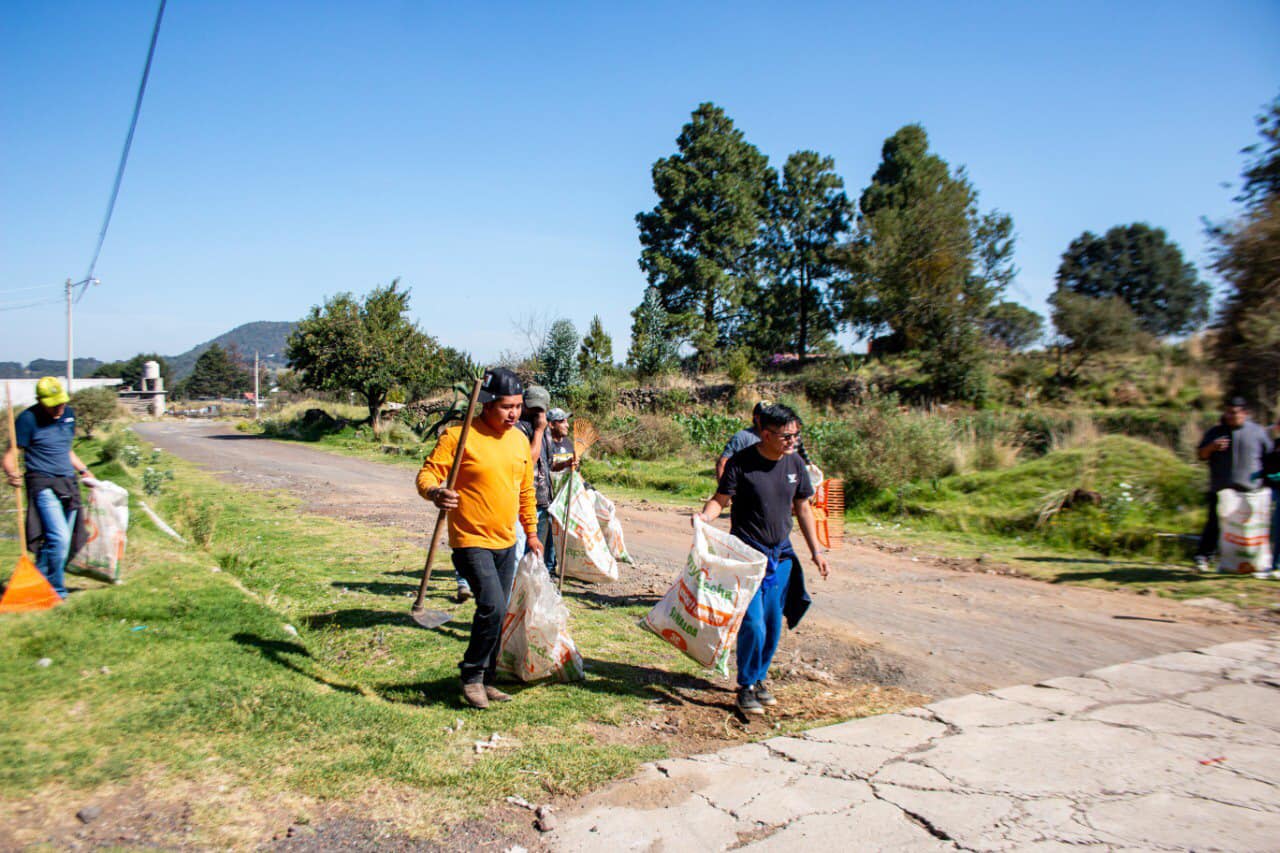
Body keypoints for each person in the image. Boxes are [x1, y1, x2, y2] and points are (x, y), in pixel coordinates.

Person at [693, 403, 830, 716]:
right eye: (786, 436)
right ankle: (745, 686)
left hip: (780, 555)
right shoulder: (742, 463)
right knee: (753, 623)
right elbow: (720, 499)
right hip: (748, 556)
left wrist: (816, 552)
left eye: (796, 435)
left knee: (772, 623)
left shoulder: (795, 463)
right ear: (765, 434)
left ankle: (759, 678)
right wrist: (704, 517)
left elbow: (804, 508)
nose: (792, 441)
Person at [416, 367, 541, 709]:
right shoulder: (458, 437)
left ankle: (488, 679)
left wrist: (531, 532)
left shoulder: (518, 440)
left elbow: (526, 492)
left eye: (518, 406)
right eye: (506, 407)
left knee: (500, 613)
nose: (514, 413)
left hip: (507, 540)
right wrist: (435, 492)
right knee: (492, 605)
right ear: (486, 404)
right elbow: (427, 474)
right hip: (470, 538)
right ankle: (471, 676)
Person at [3, 377, 93, 598]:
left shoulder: (69, 415)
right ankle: (55, 591)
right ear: (40, 401)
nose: (59, 408)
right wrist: (11, 472)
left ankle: (34, 584)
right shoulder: (27, 419)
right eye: (53, 404)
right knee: (59, 537)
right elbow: (11, 455)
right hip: (42, 482)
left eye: (61, 403)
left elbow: (66, 450)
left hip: (68, 482)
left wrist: (84, 470)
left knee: (64, 539)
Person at [1193, 397, 1274, 573]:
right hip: (1222, 489)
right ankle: (1204, 557)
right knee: (1214, 524)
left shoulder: (1258, 432)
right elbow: (1201, 454)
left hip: (1250, 491)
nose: (1230, 416)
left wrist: (1267, 480)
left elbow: (1269, 458)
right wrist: (1212, 447)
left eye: (1234, 413)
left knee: (1250, 528)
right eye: (1227, 412)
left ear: (1245, 413)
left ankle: (1251, 562)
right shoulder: (1216, 432)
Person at [515, 385, 557, 573]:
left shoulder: (545, 429)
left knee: (536, 553)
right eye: (533, 407)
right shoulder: (517, 428)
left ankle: (531, 592)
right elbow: (529, 461)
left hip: (543, 499)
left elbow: (548, 462)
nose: (536, 412)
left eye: (540, 409)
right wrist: (539, 431)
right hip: (523, 500)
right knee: (520, 553)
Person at [716, 400, 810, 481]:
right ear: (756, 418)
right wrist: (725, 491)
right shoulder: (742, 437)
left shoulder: (790, 439)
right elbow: (723, 462)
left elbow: (803, 458)